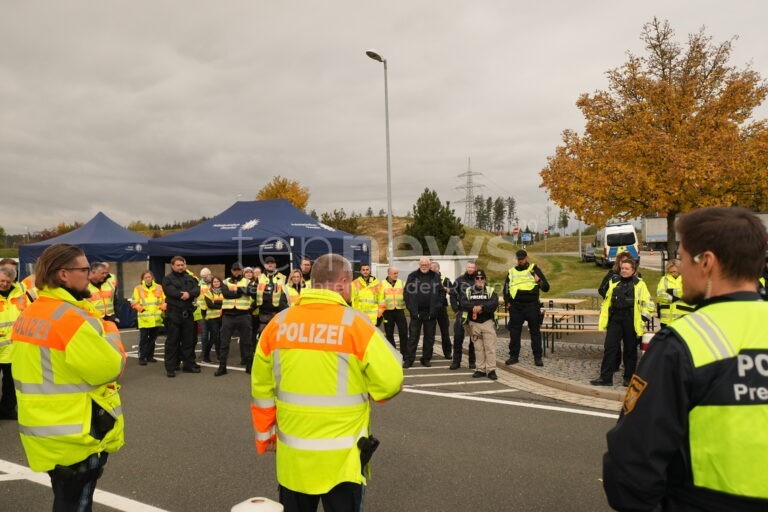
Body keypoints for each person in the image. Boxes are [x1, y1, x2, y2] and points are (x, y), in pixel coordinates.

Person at [602, 207, 768, 511]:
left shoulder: (683, 343)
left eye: (682, 256)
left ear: (706, 263)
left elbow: (631, 466)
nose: (679, 268)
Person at [250, 253, 403, 512]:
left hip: (293, 458)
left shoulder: (279, 323)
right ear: (342, 282)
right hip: (342, 460)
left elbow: (261, 388)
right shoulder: (356, 324)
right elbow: (391, 381)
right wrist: (371, 391)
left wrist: (267, 436)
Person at [11, 243, 125, 510]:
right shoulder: (70, 319)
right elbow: (112, 368)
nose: (89, 274)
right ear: (63, 274)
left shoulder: (31, 312)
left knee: (64, 501)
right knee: (75, 504)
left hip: (44, 427)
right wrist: (109, 330)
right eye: (84, 269)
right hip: (76, 433)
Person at [590, 259, 654, 387]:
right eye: (622, 268)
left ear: (633, 271)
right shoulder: (613, 282)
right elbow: (607, 300)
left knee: (630, 350)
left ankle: (629, 378)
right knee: (610, 348)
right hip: (615, 319)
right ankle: (605, 378)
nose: (624, 270)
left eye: (627, 268)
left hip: (631, 320)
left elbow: (649, 304)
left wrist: (643, 320)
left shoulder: (640, 284)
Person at [503, 249, 550, 367]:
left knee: (535, 333)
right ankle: (513, 356)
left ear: (526, 258)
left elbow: (546, 288)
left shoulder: (534, 269)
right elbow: (506, 289)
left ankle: (537, 357)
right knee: (514, 333)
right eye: (518, 259)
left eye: (522, 259)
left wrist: (538, 280)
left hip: (532, 306)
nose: (520, 261)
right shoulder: (512, 272)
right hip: (516, 307)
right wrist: (508, 302)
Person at [162, 256, 200, 378]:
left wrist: (189, 294)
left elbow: (197, 289)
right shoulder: (168, 279)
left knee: (189, 341)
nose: (180, 267)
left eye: (182, 265)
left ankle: (189, 365)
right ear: (172, 266)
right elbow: (170, 291)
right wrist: (181, 294)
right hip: (174, 313)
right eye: (178, 265)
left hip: (188, 313)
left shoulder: (190, 278)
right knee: (172, 342)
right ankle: (171, 367)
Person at [459, 269, 499, 381]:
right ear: (474, 279)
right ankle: (480, 369)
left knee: (490, 347)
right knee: (478, 348)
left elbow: (493, 303)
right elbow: (463, 303)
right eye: (477, 278)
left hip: (487, 323)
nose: (479, 280)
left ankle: (491, 370)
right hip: (474, 324)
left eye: (482, 278)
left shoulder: (490, 291)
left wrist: (481, 308)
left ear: (485, 280)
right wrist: (473, 308)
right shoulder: (468, 291)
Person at [403, 257, 443, 368]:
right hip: (416, 313)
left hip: (430, 313)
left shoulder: (435, 276)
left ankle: (426, 358)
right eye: (422, 264)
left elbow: (441, 293)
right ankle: (409, 359)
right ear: (419, 265)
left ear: (429, 265)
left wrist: (436, 308)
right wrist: (411, 309)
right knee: (413, 337)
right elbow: (406, 293)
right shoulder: (412, 276)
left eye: (426, 264)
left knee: (429, 337)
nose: (424, 266)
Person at [217, 262, 252, 376]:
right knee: (224, 342)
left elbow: (252, 291)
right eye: (234, 270)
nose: (236, 272)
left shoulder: (247, 281)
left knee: (247, 342)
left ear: (241, 271)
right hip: (228, 315)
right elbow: (226, 294)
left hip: (244, 315)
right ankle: (222, 367)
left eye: (238, 270)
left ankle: (249, 366)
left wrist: (236, 290)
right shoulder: (225, 281)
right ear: (232, 271)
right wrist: (241, 291)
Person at [0, 265, 26, 420]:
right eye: (1, 280)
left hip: (14, 348)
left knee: (10, 384)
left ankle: (7, 410)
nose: (4, 284)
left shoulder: (21, 294)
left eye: (7, 282)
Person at [131, 270, 166, 366]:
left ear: (152, 278)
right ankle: (142, 357)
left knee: (153, 338)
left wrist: (161, 308)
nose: (148, 279)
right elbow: (134, 301)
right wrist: (141, 310)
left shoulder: (159, 287)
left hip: (156, 318)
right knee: (143, 339)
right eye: (145, 277)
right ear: (142, 279)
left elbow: (164, 300)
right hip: (144, 318)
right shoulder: (138, 288)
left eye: (149, 277)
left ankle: (150, 356)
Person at [448, 261, 477, 370]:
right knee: (458, 337)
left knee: (474, 338)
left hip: (474, 313)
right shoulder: (459, 280)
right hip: (461, 312)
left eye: (472, 267)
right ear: (466, 268)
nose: (470, 269)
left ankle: (472, 361)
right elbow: (452, 295)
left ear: (475, 268)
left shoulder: (478, 280)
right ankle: (456, 362)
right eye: (468, 267)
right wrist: (456, 310)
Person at [252, 256, 289, 340]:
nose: (270, 265)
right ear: (265, 265)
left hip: (278, 314)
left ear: (275, 265)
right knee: (262, 338)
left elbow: (287, 295)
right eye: (268, 263)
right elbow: (254, 293)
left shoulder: (283, 278)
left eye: (272, 263)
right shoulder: (259, 278)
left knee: (277, 338)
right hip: (263, 314)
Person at [656, 259, 694, 327]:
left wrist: (671, 292)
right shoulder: (664, 279)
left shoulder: (688, 278)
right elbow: (660, 295)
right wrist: (674, 298)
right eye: (670, 272)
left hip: (683, 319)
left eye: (674, 271)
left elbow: (688, 291)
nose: (673, 273)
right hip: (666, 320)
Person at [380, 267, 409, 355]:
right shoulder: (382, 284)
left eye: (397, 273)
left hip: (400, 311)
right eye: (394, 273)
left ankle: (404, 353)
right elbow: (380, 298)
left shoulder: (401, 283)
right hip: (387, 312)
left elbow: (406, 296)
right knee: (389, 333)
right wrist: (380, 312)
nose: (396, 275)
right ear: (389, 274)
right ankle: (393, 353)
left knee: (403, 332)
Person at [429, 262, 453, 359]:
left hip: (442, 309)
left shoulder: (445, 279)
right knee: (430, 332)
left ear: (437, 268)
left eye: (432, 268)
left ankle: (447, 353)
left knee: (445, 332)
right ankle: (429, 353)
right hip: (430, 308)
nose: (430, 269)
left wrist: (444, 287)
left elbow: (453, 291)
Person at [202, 276, 224, 362]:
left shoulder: (224, 292)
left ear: (220, 282)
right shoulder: (208, 292)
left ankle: (219, 356)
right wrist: (220, 304)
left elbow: (226, 303)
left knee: (220, 338)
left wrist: (216, 302)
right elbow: (210, 305)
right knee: (214, 337)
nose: (216, 283)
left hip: (221, 317)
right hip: (212, 318)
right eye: (214, 282)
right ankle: (205, 356)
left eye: (217, 282)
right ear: (212, 283)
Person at [197, 267, 213, 360]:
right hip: (202, 311)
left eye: (206, 276)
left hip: (213, 311)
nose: (204, 278)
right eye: (202, 277)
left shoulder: (215, 283)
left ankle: (216, 351)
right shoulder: (199, 284)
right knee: (204, 332)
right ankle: (204, 352)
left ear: (210, 274)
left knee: (214, 333)